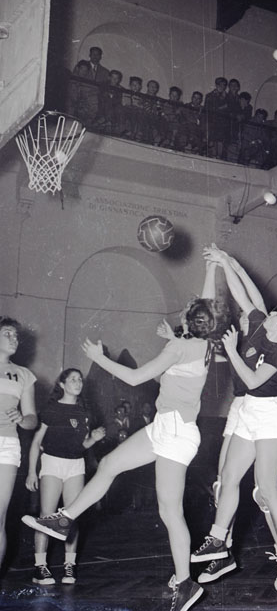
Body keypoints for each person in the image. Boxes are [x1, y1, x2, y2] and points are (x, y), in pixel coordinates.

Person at [22, 262, 219, 611]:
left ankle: (186, 582)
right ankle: (65, 519)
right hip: (166, 427)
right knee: (110, 464)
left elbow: (135, 377)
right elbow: (207, 306)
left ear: (189, 321)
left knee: (170, 510)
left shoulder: (178, 348)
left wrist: (99, 358)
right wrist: (212, 266)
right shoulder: (203, 343)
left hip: (176, 433)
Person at [191, 246, 277, 593]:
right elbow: (244, 294)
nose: (271, 312)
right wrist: (224, 262)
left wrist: (230, 350)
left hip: (271, 413)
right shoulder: (258, 324)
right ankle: (218, 540)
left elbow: (255, 381)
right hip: (248, 411)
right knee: (228, 477)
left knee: (267, 486)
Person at [25, 368, 106, 585]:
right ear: (62, 384)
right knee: (47, 516)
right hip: (52, 463)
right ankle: (40, 568)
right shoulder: (51, 409)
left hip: (76, 465)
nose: (78, 383)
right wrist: (32, 471)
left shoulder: (85, 412)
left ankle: (69, 565)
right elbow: (36, 442)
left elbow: (82, 445)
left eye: (80, 380)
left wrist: (93, 439)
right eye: (73, 379)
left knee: (71, 516)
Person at [0, 317, 37, 572]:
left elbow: (32, 419)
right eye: (7, 333)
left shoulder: (24, 375)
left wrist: (22, 419)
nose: (14, 339)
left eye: (16, 335)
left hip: (7, 444)